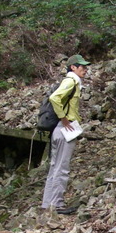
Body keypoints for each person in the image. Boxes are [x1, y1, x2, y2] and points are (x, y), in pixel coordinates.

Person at [41, 54, 91, 215]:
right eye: (81, 66)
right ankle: (57, 205)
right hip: (65, 130)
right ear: (73, 68)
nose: (85, 69)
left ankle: (47, 204)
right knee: (62, 168)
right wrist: (64, 119)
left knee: (55, 167)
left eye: (85, 66)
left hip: (58, 130)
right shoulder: (71, 81)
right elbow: (55, 98)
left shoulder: (70, 81)